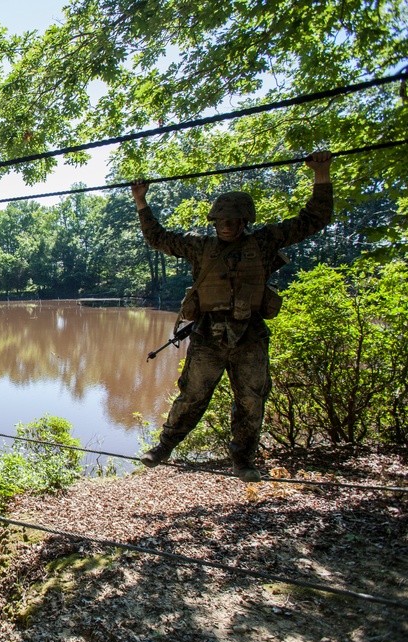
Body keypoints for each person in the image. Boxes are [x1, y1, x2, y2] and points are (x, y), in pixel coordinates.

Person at [131, 151, 333, 482]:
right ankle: (164, 447)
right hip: (208, 335)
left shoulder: (264, 242)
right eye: (221, 222)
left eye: (233, 222)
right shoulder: (200, 247)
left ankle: (243, 461)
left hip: (249, 335)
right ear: (214, 222)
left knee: (251, 401)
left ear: (244, 222)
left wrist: (321, 174)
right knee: (192, 396)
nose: (226, 227)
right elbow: (158, 238)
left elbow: (313, 219)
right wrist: (141, 201)